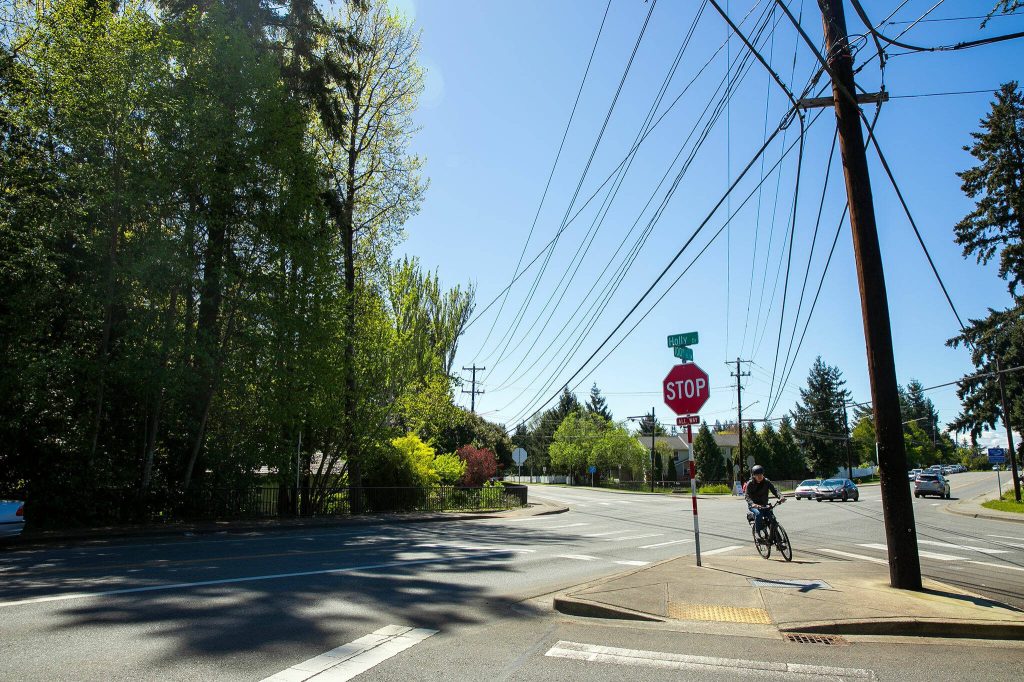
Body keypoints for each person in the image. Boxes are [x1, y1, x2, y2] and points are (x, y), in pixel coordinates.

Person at [745, 464, 784, 541]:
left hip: (765, 505)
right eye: (757, 475)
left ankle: (779, 541)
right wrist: (752, 504)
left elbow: (775, 490)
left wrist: (781, 497)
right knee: (759, 514)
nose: (759, 476)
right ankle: (757, 532)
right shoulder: (750, 484)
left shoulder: (766, 482)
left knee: (773, 520)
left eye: (761, 474)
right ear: (754, 476)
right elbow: (747, 496)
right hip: (754, 506)